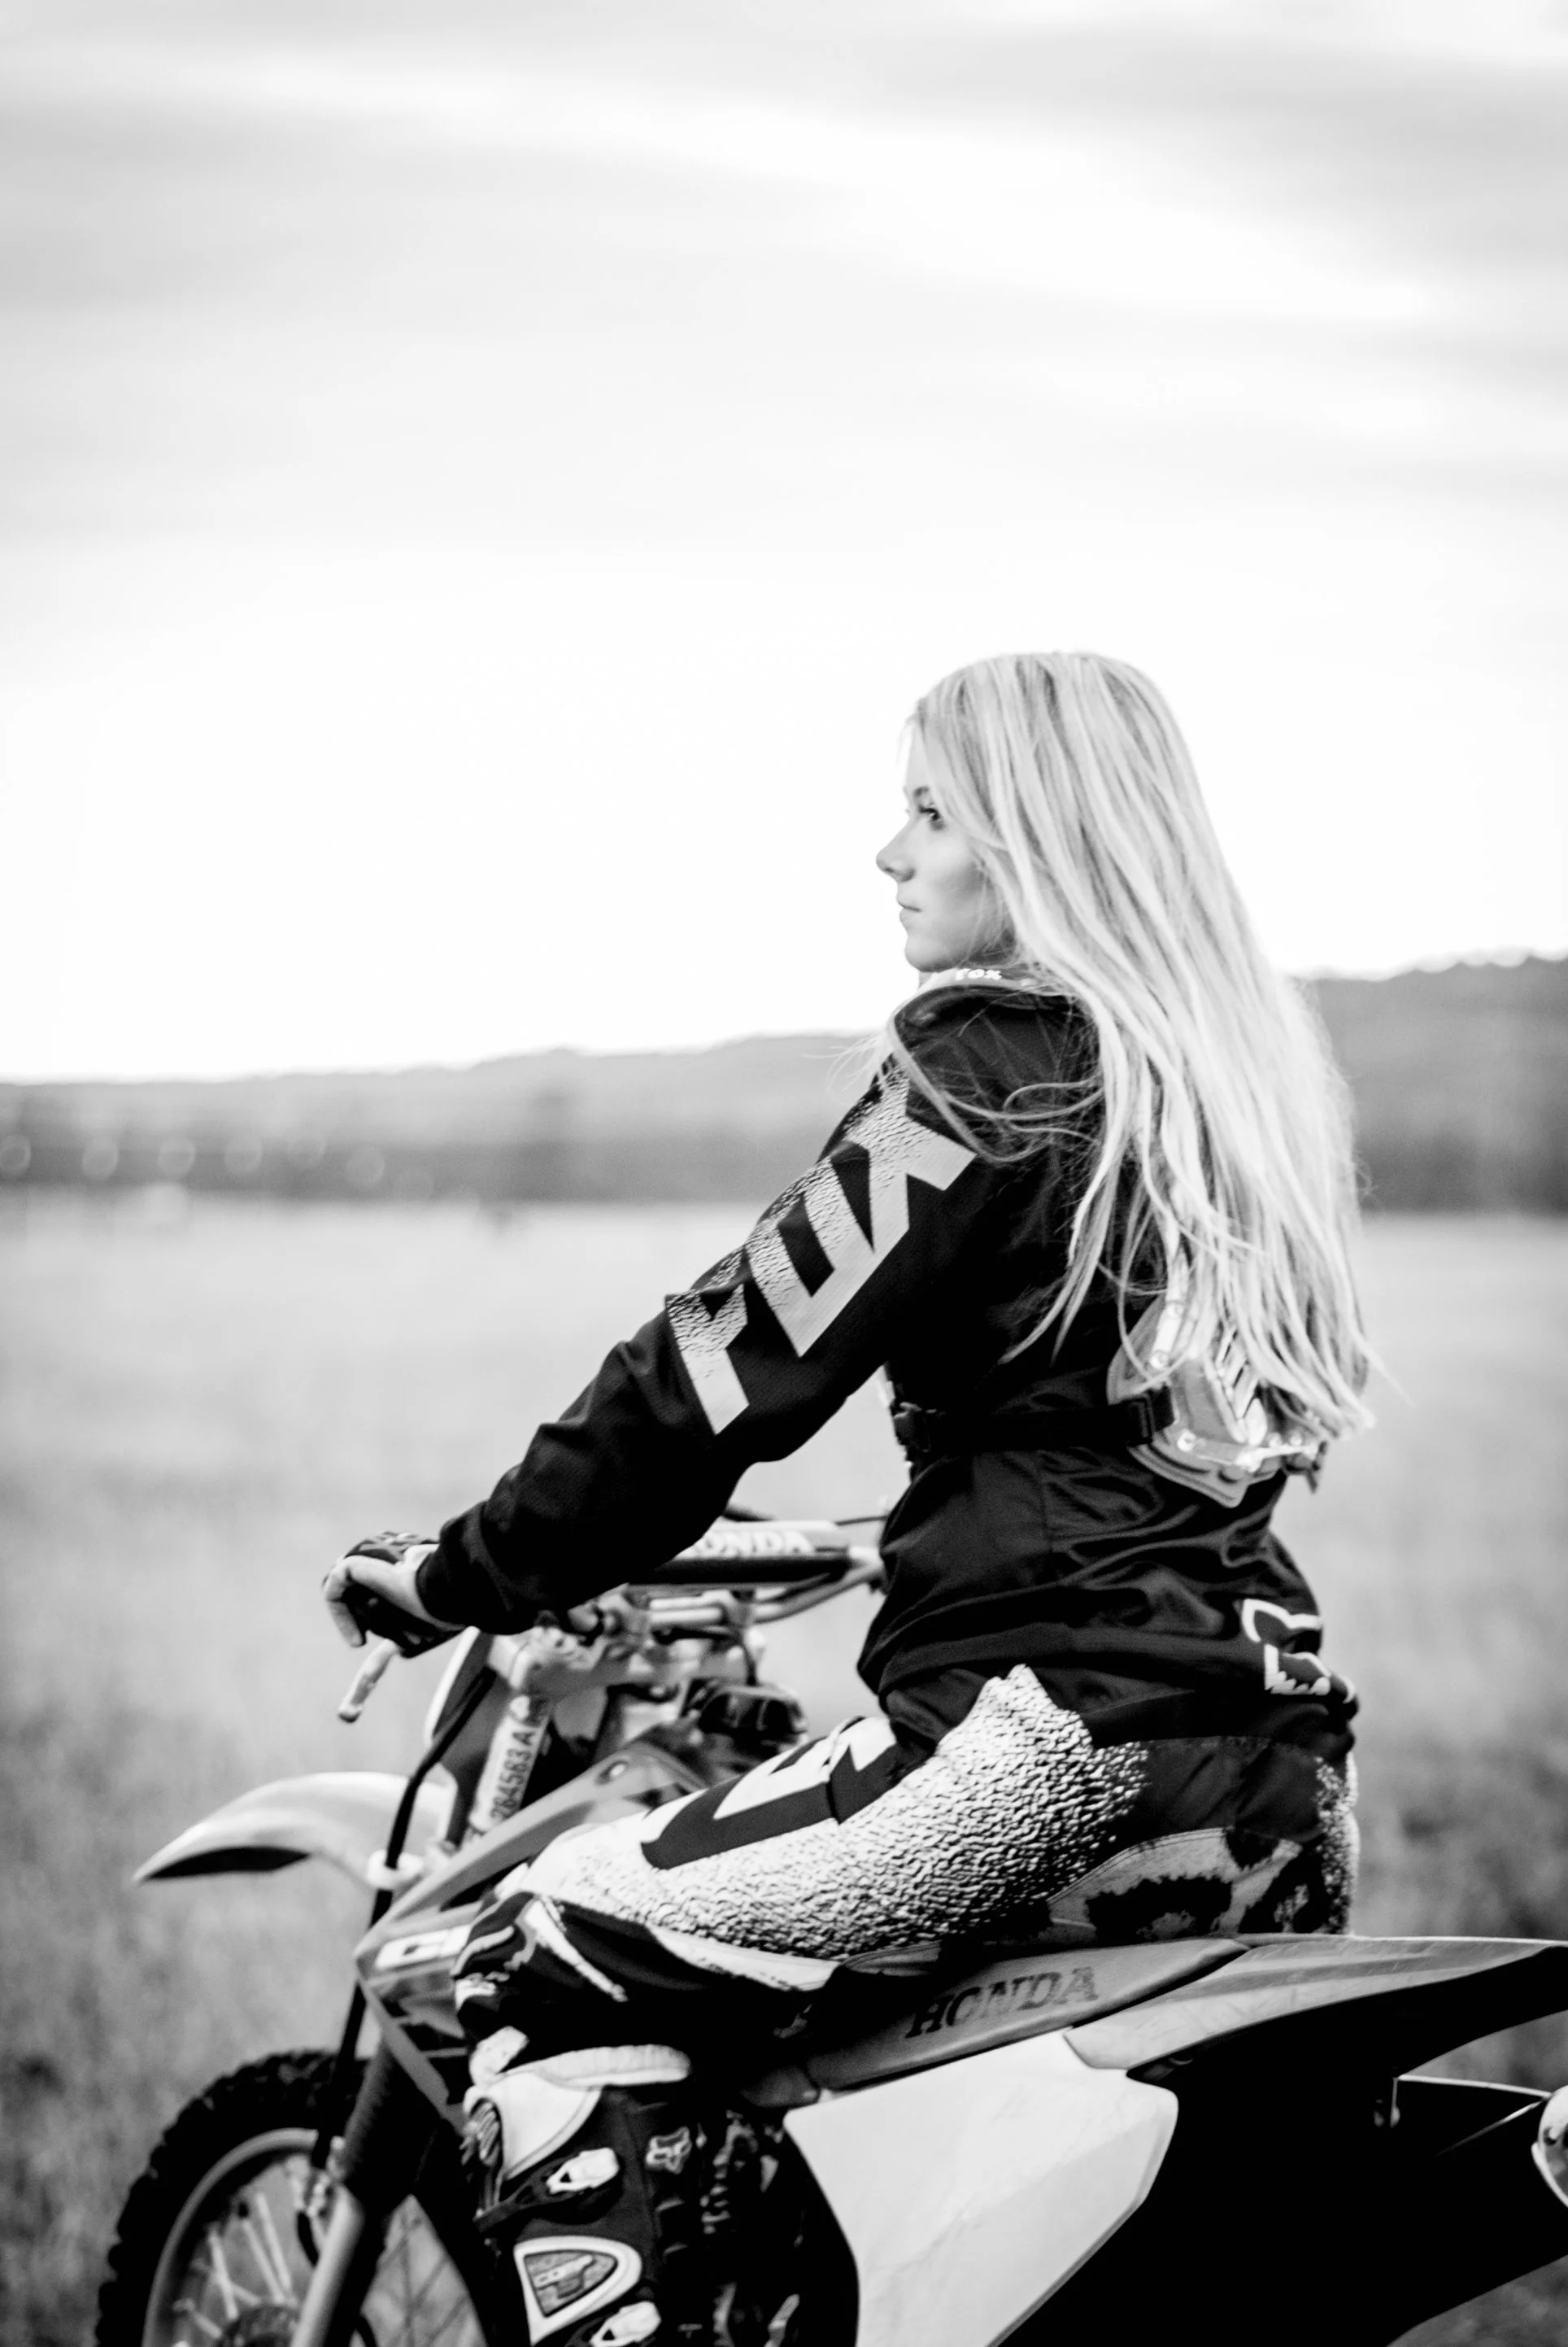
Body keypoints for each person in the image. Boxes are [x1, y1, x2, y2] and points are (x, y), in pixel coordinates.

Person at [325, 651, 1371, 2347]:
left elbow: (716, 1372)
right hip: (1278, 1778)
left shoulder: (990, 1072)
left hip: (1041, 1757)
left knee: (531, 1952)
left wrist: (462, 1570)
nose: (889, 850)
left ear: (1034, 839)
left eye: (931, 807)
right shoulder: (1228, 1096)